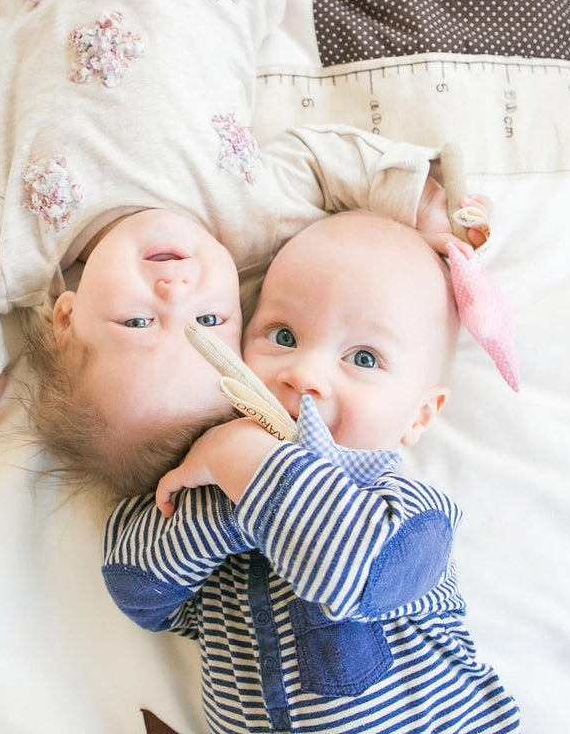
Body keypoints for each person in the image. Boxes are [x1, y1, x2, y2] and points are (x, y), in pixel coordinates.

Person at [0, 0, 486, 495]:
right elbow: (324, 162)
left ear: (66, 317)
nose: (174, 292)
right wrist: (423, 203)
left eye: (136, 323)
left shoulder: (23, 247)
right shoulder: (246, 225)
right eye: (207, 323)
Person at [102, 211, 521, 733]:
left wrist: (245, 463)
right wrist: (224, 492)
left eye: (364, 358)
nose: (304, 374)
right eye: (281, 334)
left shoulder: (408, 513)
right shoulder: (202, 485)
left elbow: (362, 572)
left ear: (419, 415)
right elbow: (135, 588)